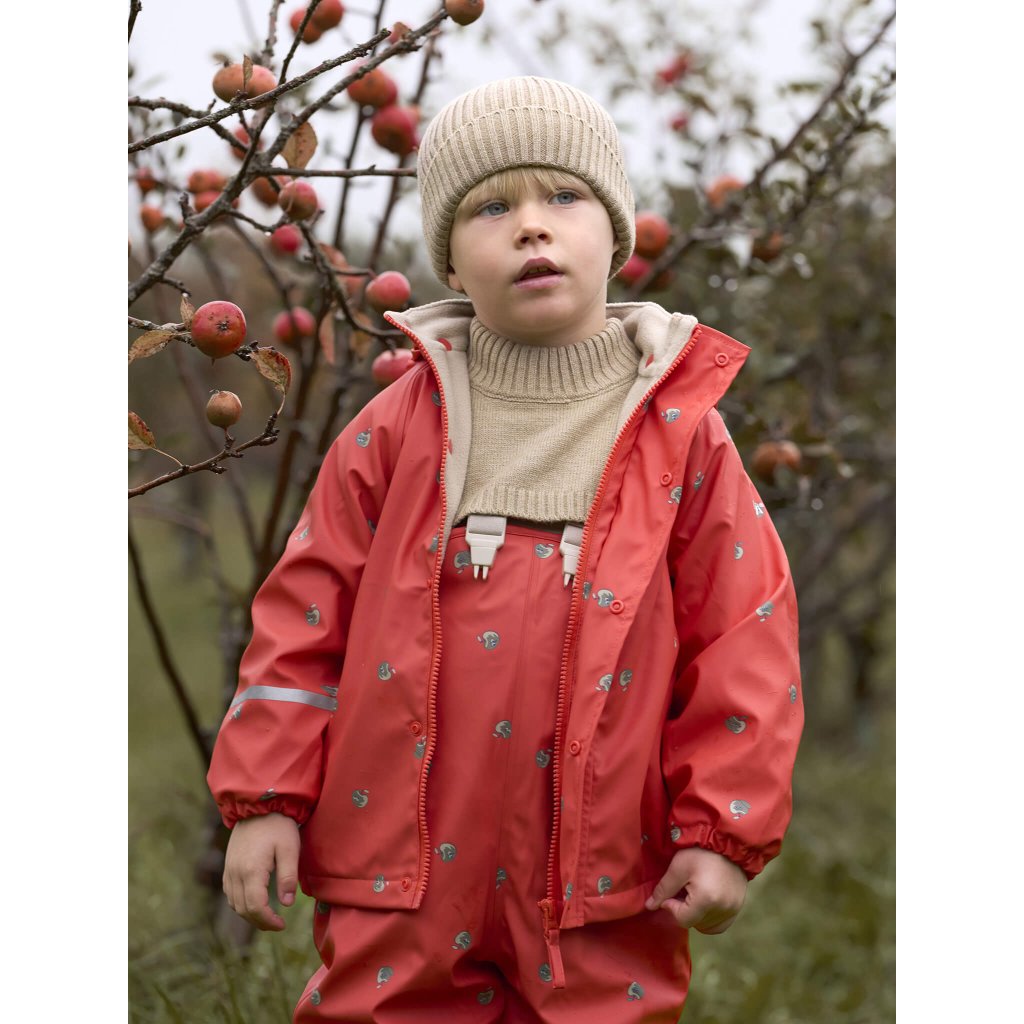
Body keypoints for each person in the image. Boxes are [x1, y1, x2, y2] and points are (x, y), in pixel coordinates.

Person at [207, 75, 803, 1022]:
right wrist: (267, 797)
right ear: (449, 255)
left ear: (616, 231)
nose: (531, 226)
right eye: (492, 208)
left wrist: (722, 828)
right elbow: (303, 622)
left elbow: (746, 637)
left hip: (603, 873)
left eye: (563, 196)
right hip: (396, 863)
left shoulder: (683, 435)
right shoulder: (396, 428)